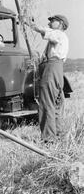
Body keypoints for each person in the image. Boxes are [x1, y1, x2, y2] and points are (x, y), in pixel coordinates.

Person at [26, 14, 69, 143]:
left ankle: (49, 139)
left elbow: (44, 31)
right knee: (55, 105)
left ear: (61, 24)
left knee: (46, 104)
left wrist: (30, 24)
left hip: (52, 69)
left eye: (53, 21)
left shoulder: (59, 34)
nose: (49, 23)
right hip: (54, 69)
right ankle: (58, 136)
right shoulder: (58, 37)